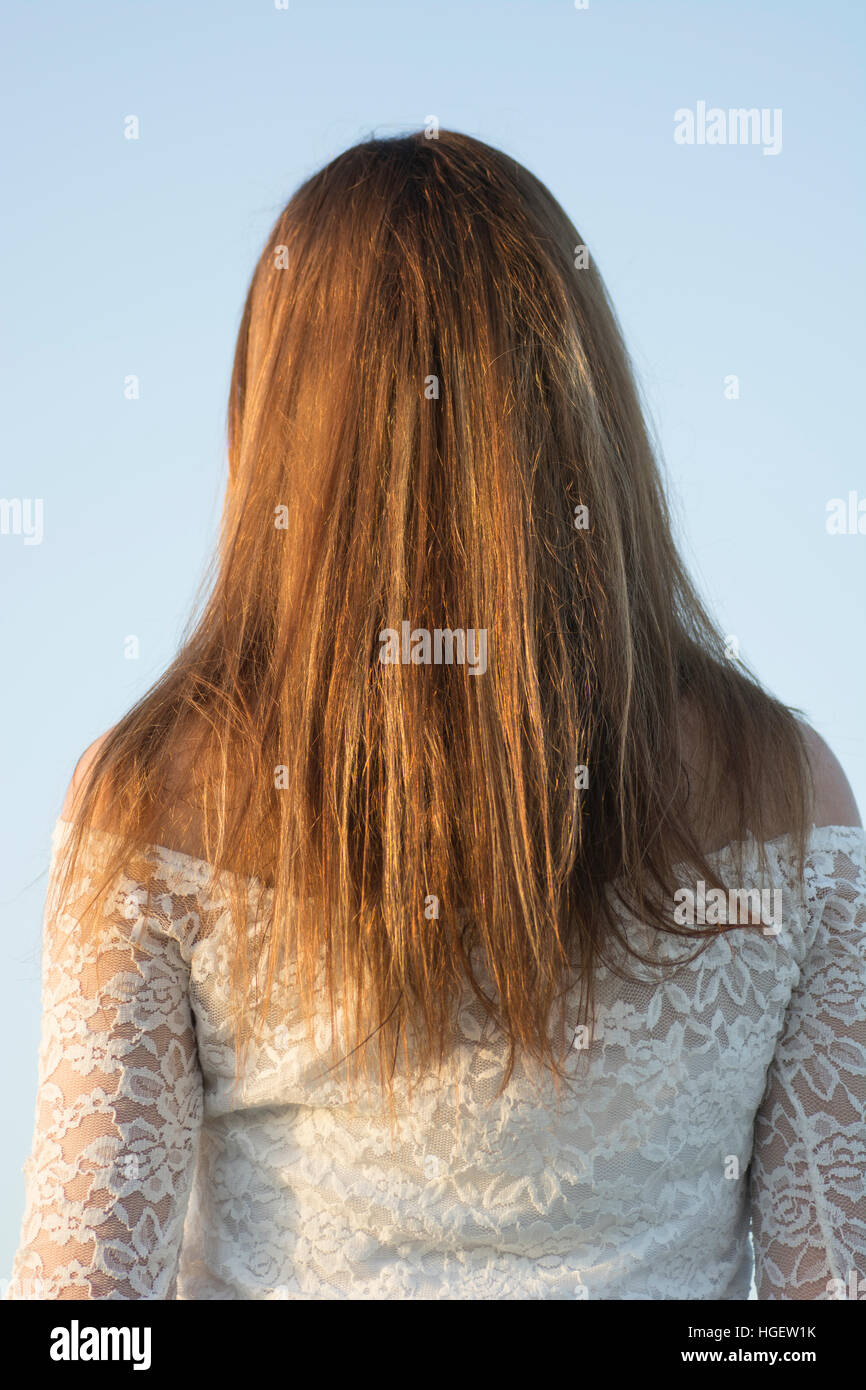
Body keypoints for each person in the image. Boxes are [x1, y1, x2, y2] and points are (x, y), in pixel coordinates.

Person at [8, 131, 865, 1300]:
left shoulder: (156, 791)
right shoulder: (788, 792)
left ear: (281, 425)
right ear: (580, 405)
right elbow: (833, 1284)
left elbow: (83, 1300)